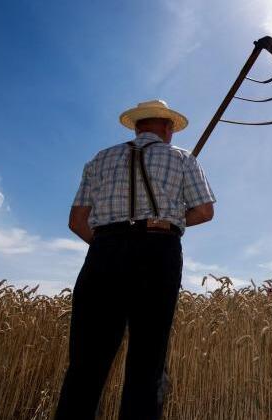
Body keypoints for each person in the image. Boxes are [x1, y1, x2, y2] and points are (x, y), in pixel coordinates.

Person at [56, 100, 216, 420]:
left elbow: (76, 221)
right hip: (158, 253)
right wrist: (166, 220)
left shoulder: (99, 159)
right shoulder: (183, 158)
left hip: (104, 253)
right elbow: (204, 211)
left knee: (86, 361)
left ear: (137, 126)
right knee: (147, 359)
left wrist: (107, 242)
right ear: (168, 129)